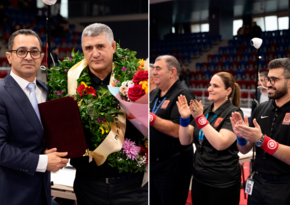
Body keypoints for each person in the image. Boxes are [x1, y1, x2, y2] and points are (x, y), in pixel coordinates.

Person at [69, 23, 148, 205]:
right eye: (88, 48)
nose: (94, 53)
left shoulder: (137, 79)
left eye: (100, 46)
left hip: (132, 186)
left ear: (113, 47)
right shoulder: (71, 82)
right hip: (88, 185)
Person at [0, 29, 68, 205]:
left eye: (34, 51)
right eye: (21, 51)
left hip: (43, 191)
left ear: (41, 56)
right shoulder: (1, 93)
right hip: (12, 194)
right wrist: (43, 162)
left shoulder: (47, 91)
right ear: (9, 57)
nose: (29, 57)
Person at [176, 72, 243, 205]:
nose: (209, 89)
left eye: (215, 86)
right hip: (199, 178)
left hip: (222, 182)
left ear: (228, 91)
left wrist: (200, 119)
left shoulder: (233, 112)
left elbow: (220, 144)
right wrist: (184, 118)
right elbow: (185, 140)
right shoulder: (204, 110)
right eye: (209, 85)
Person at [231, 58, 290, 205]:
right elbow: (244, 150)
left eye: (274, 79)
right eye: (268, 79)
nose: (268, 83)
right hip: (257, 183)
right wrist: (241, 137)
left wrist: (262, 141)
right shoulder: (261, 108)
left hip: (284, 186)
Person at [150, 55, 195, 205]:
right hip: (154, 163)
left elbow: (178, 130)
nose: (154, 72)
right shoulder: (155, 93)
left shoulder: (183, 94)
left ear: (172, 72)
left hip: (173, 164)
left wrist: (151, 118)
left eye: (158, 68)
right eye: (153, 68)